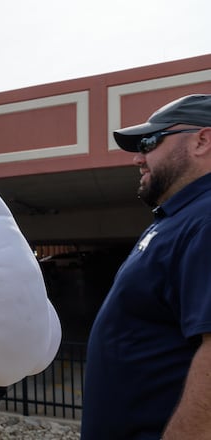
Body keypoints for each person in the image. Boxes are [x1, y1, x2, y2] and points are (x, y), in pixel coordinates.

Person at [82, 94, 211, 439]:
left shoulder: (206, 219)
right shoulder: (181, 218)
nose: (138, 158)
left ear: (202, 140)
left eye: (150, 142)